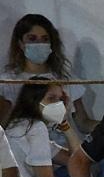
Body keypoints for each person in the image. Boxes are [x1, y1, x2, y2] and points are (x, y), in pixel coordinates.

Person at [0, 14, 94, 165]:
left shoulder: (65, 78)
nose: (39, 44)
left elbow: (83, 122)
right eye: (32, 39)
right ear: (20, 43)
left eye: (45, 39)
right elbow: (3, 129)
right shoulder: (6, 81)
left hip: (66, 149)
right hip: (28, 155)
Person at [3, 78, 82, 177]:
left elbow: (78, 160)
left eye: (60, 99)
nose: (58, 104)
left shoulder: (21, 124)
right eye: (51, 98)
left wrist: (64, 122)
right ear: (33, 100)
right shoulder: (35, 128)